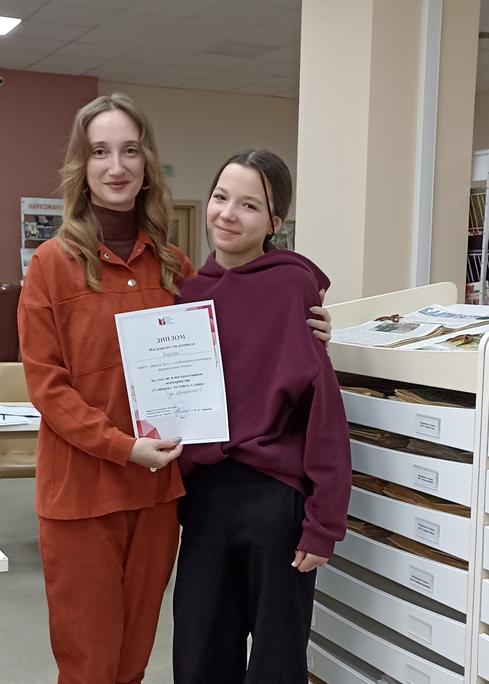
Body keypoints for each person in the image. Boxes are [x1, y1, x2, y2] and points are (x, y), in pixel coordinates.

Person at [18, 93, 334, 684]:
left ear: (147, 165)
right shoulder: (51, 265)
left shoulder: (174, 269)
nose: (116, 166)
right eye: (100, 152)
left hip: (158, 496)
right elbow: (47, 387)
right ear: (81, 166)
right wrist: (123, 447)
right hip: (82, 494)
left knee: (135, 657)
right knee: (89, 664)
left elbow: (241, 332)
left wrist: (307, 323)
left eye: (130, 151)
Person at [172, 150, 351, 684]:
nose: (228, 214)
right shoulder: (185, 294)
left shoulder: (293, 287)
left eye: (249, 205)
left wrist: (324, 524)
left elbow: (323, 411)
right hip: (203, 500)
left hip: (275, 503)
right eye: (220, 197)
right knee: (199, 655)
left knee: (276, 663)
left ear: (275, 222)